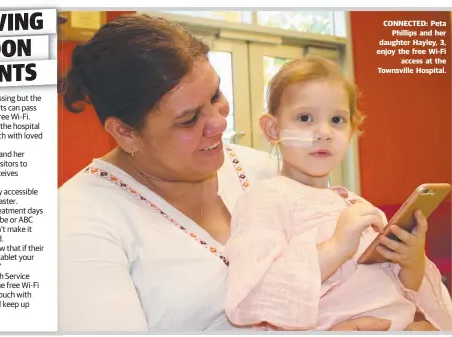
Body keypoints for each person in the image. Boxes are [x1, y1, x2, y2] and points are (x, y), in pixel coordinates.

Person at [57, 13, 438, 331]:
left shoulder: (262, 167)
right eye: (189, 119)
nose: (218, 123)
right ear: (124, 132)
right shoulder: (78, 223)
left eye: (216, 96)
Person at [224, 56, 452, 331]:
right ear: (273, 130)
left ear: (352, 129)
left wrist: (411, 259)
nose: (324, 132)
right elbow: (257, 292)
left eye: (337, 120)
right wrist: (336, 247)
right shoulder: (264, 200)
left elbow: (405, 289)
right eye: (305, 118)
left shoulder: (358, 206)